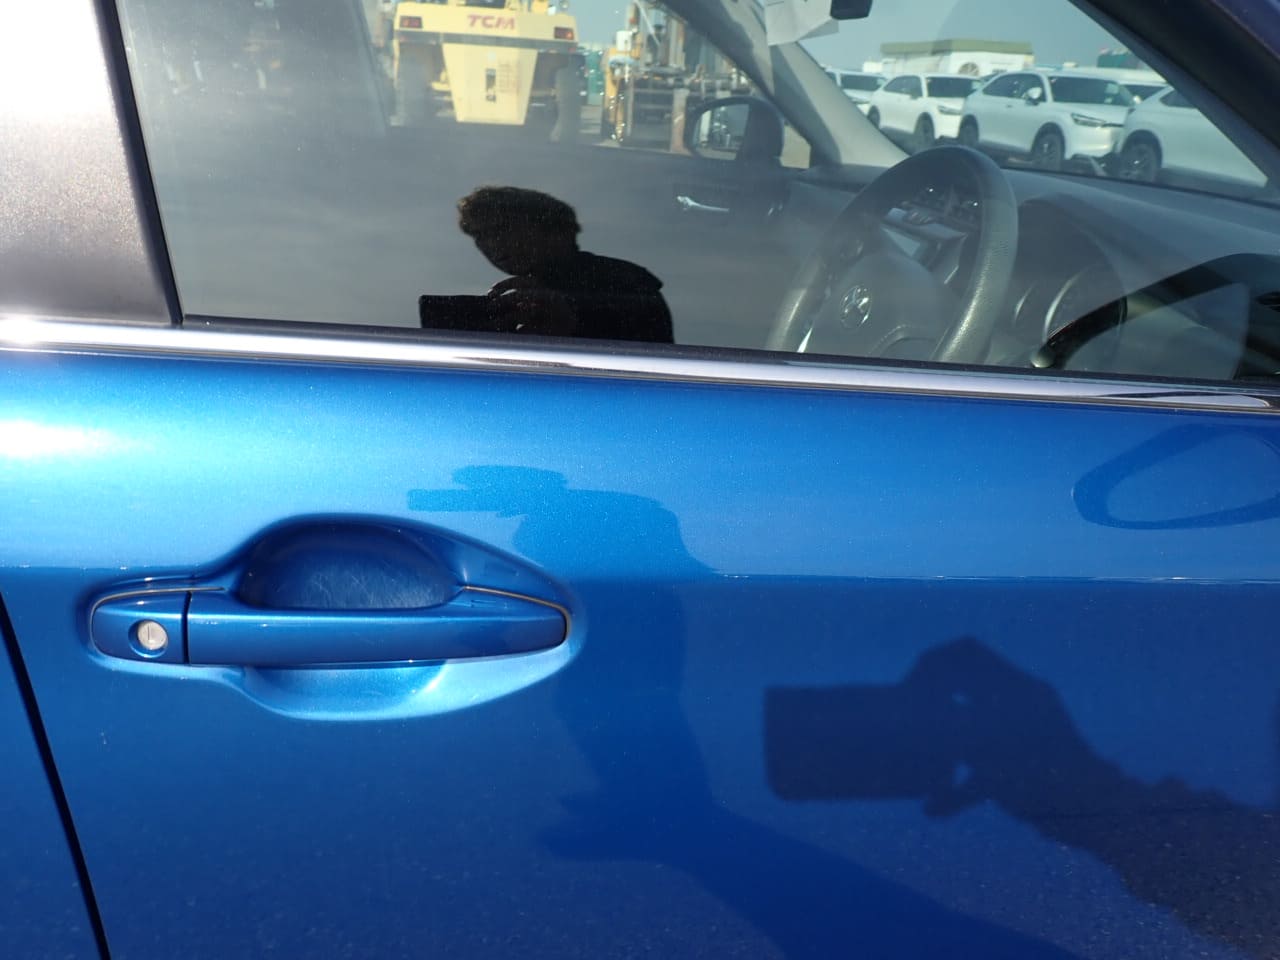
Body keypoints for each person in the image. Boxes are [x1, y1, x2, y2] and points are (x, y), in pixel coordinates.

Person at [452, 185, 674, 343]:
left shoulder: (624, 283)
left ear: (557, 232)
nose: (490, 244)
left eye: (502, 229)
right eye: (479, 235)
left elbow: (650, 365)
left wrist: (570, 327)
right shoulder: (511, 295)